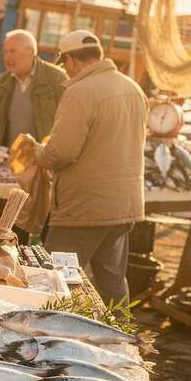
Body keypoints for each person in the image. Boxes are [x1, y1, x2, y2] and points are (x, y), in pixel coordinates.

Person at [35, 29, 145, 303]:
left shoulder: (79, 92)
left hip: (83, 209)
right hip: (124, 207)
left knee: (56, 281)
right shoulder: (133, 88)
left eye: (66, 65)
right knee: (112, 282)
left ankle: (59, 340)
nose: (67, 72)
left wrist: (37, 152)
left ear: (71, 60)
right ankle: (121, 341)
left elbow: (60, 153)